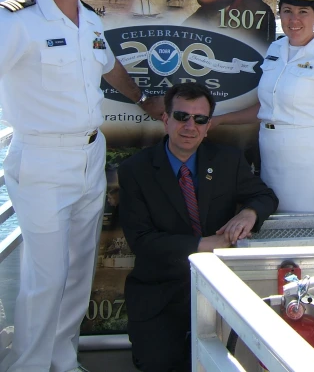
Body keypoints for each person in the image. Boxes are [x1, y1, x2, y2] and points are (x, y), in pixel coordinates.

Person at [0, 0, 164, 372]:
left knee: (75, 274)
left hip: (89, 157)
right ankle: (29, 365)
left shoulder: (89, 20)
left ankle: (61, 359)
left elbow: (109, 68)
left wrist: (144, 101)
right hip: (42, 161)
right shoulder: (17, 21)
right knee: (45, 277)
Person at [118, 83, 278, 371]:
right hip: (159, 297)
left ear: (207, 126)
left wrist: (250, 214)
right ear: (166, 120)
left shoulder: (227, 160)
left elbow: (265, 196)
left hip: (219, 290)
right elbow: (141, 241)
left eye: (200, 119)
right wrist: (204, 245)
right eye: (182, 117)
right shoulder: (135, 170)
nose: (190, 126)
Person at [211, 0, 314, 216]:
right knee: (271, 223)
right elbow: (266, 109)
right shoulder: (275, 50)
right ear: (279, 13)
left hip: (308, 163)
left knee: (305, 233)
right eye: (287, 11)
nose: (294, 19)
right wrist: (219, 120)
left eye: (303, 12)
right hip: (270, 155)